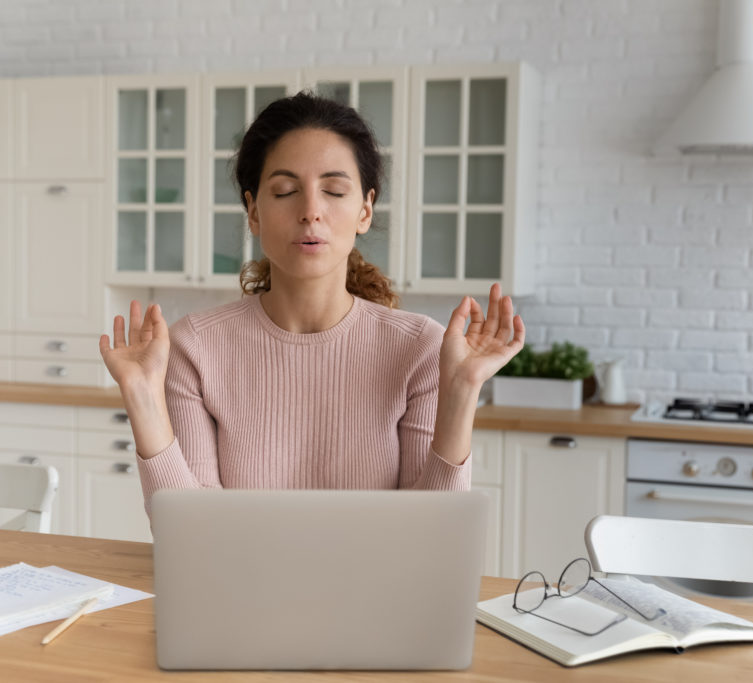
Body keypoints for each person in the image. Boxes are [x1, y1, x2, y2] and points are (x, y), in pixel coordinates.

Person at [100, 92, 524, 516]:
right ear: (253, 212)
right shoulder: (196, 347)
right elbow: (190, 534)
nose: (311, 211)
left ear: (365, 210)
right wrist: (141, 396)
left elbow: (434, 538)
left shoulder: (420, 349)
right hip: (243, 583)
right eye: (285, 191)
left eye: (335, 190)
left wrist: (463, 390)